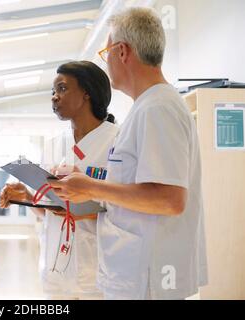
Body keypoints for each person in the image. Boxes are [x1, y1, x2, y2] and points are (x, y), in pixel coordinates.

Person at [47, 8, 208, 300]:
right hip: (135, 273)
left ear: (122, 52)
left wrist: (92, 187)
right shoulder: (147, 107)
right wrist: (92, 185)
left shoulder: (157, 108)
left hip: (147, 277)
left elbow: (170, 199)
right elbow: (138, 186)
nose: (105, 61)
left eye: (106, 51)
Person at [0, 61, 118, 299]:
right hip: (55, 271)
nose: (54, 97)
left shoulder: (117, 141)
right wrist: (29, 198)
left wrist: (87, 204)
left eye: (62, 89)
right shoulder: (55, 143)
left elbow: (133, 207)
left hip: (97, 271)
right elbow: (50, 211)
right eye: (53, 92)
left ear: (87, 92)